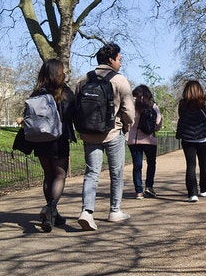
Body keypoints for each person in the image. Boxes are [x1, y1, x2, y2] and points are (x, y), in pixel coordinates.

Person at [76, 43, 135, 231]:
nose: (121, 62)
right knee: (116, 172)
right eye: (119, 59)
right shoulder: (120, 81)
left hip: (89, 134)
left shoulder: (83, 79)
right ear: (111, 59)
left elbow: (76, 107)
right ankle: (114, 210)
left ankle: (87, 211)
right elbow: (128, 111)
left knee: (92, 173)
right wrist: (126, 126)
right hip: (112, 132)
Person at [27, 59, 77, 232]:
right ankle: (51, 208)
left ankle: (53, 213)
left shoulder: (36, 93)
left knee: (48, 175)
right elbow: (73, 114)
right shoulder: (64, 92)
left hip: (39, 139)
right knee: (59, 176)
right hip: (58, 139)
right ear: (58, 73)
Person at [175, 80, 206, 202]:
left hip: (187, 138)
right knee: (203, 164)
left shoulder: (182, 104)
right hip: (203, 137)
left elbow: (181, 116)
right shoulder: (205, 102)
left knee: (191, 166)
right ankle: (204, 189)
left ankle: (192, 193)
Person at [127, 85, 162, 199]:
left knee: (137, 165)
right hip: (150, 140)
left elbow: (126, 119)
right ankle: (149, 186)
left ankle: (138, 191)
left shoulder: (131, 105)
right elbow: (158, 124)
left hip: (134, 140)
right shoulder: (153, 106)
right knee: (151, 163)